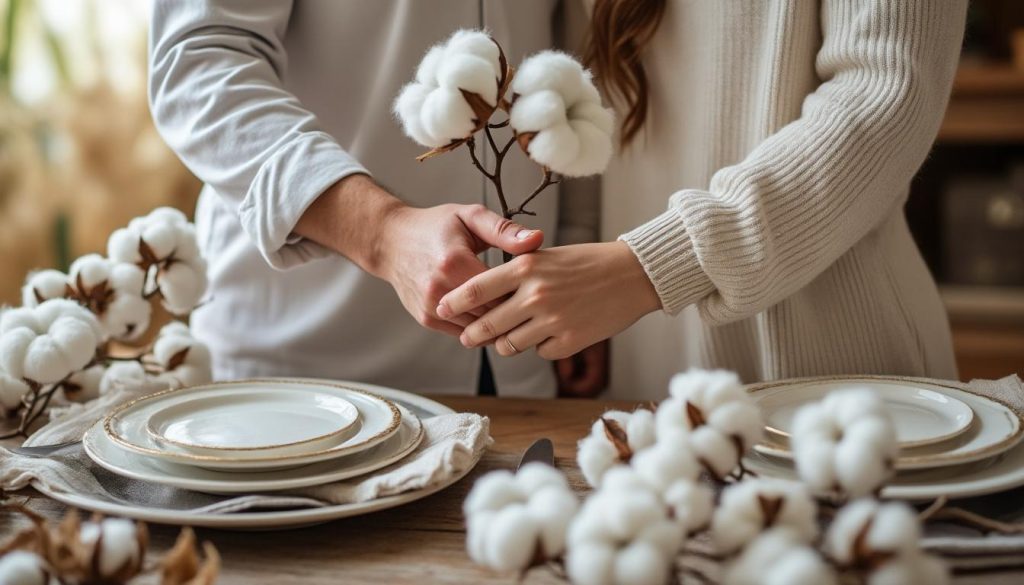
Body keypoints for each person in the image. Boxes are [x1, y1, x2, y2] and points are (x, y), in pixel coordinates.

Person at [438, 0, 966, 399]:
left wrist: (648, 268)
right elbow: (583, 88)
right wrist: (583, 249)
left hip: (840, 373)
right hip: (647, 369)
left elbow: (887, 94)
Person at [147, 1, 604, 397]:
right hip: (299, 365)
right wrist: (383, 233)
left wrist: (577, 247)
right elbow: (197, 66)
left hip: (521, 361)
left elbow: (566, 44)